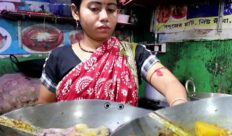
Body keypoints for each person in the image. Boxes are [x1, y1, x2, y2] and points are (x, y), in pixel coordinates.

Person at [38, 0, 187, 107]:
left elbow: (170, 83)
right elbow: (44, 106)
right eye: (95, 8)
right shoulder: (58, 58)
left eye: (111, 9)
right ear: (76, 12)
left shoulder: (134, 53)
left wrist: (179, 104)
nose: (104, 17)